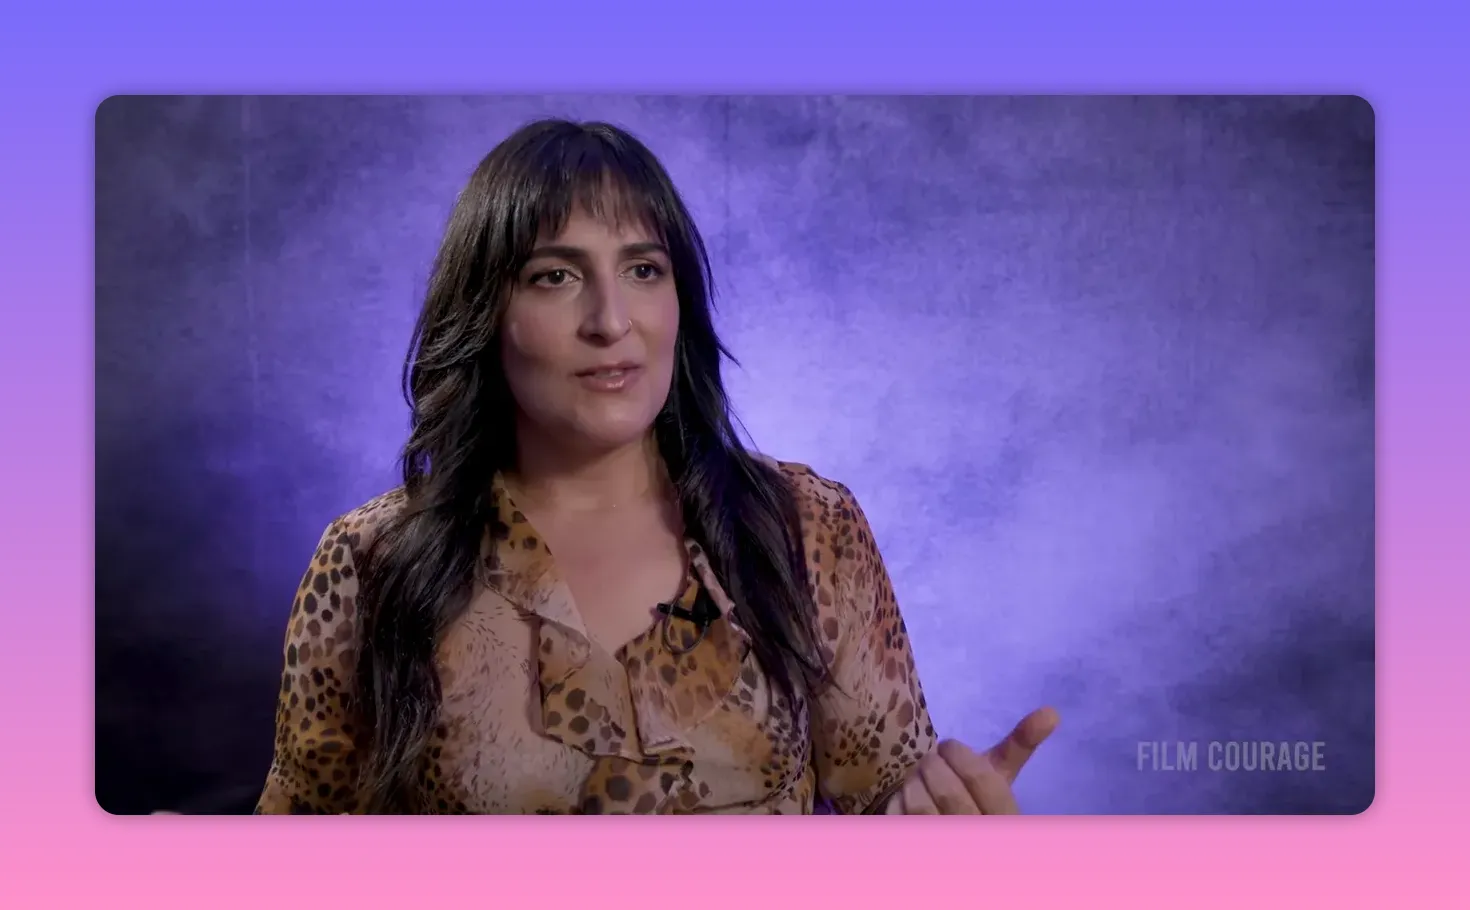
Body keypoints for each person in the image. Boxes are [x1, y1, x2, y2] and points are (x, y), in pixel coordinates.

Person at [254, 118, 1059, 815]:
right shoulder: (372, 562)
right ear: (484, 316)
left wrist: (949, 836)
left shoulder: (808, 528)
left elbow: (891, 815)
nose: (612, 321)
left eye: (644, 269)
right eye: (555, 276)